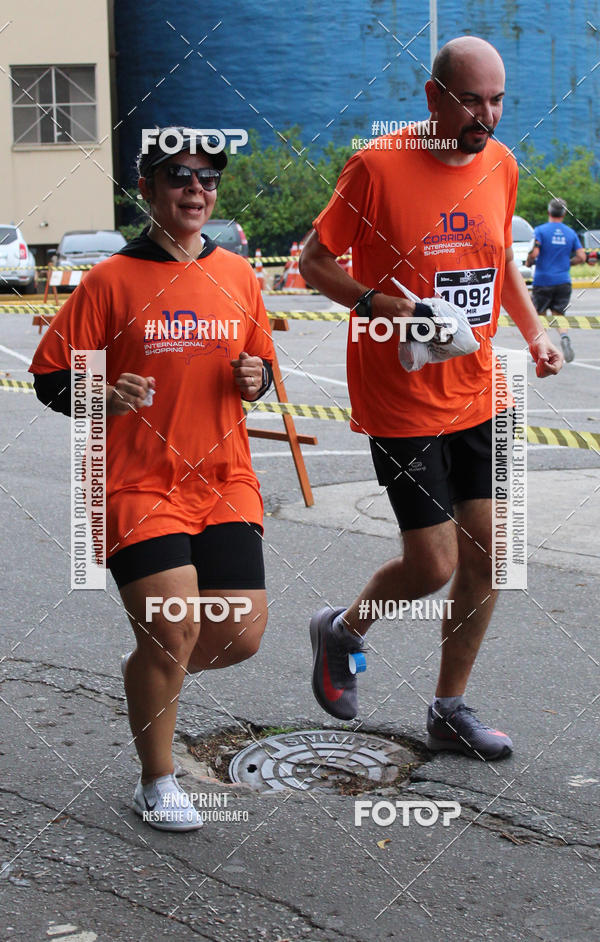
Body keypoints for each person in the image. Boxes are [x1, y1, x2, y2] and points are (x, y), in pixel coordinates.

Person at [300, 36, 562, 761]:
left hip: (479, 391)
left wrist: (534, 332)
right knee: (433, 564)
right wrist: (378, 301)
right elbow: (314, 262)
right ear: (434, 96)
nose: (488, 116)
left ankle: (448, 709)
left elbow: (498, 261)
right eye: (473, 100)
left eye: (498, 100)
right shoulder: (377, 167)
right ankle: (345, 629)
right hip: (403, 401)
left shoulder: (501, 165)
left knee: (491, 555)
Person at [30, 127, 275, 829]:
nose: (197, 190)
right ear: (147, 190)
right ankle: (157, 777)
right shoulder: (111, 280)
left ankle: (150, 674)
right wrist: (101, 392)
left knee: (238, 636)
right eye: (179, 177)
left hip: (224, 477)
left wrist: (258, 378)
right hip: (138, 483)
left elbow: (257, 369)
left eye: (209, 178)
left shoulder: (238, 275)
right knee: (175, 629)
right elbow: (51, 382)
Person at [527, 198, 586, 363]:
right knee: (559, 314)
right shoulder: (570, 232)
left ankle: (541, 349)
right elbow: (582, 256)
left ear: (548, 212)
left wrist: (529, 260)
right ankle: (564, 337)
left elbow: (535, 253)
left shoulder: (540, 230)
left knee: (539, 315)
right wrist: (568, 262)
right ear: (564, 213)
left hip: (543, 280)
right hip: (563, 281)